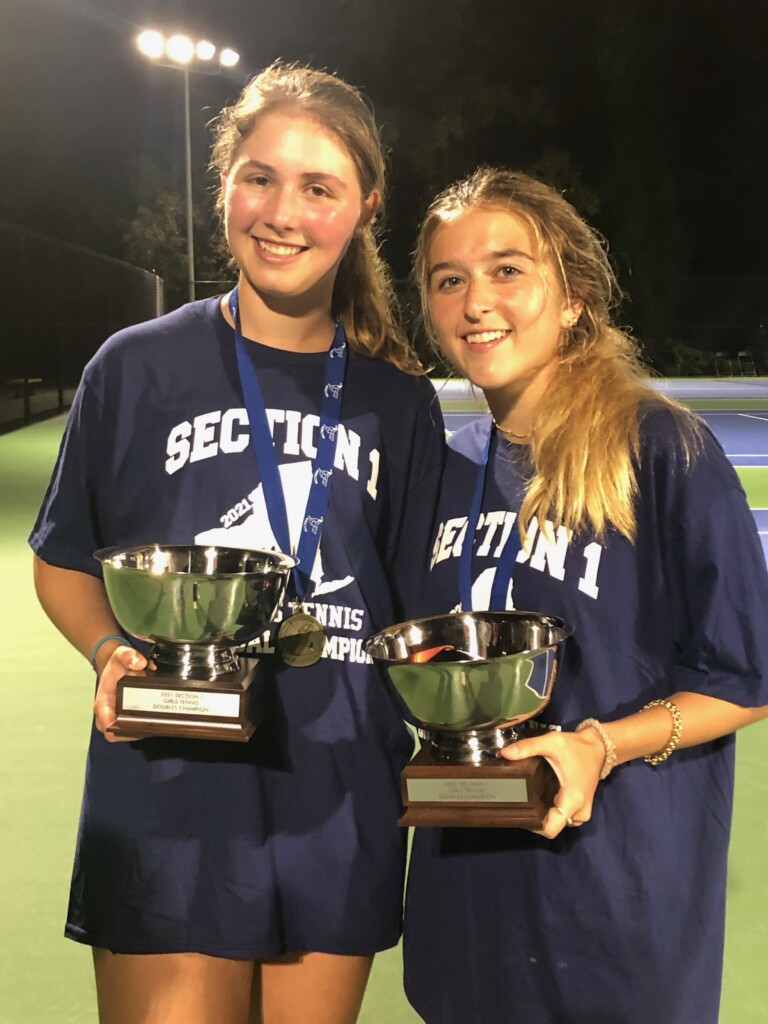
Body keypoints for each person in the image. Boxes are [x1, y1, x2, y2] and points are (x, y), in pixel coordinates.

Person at [29, 62, 444, 1024]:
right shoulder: (135, 367)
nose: (282, 212)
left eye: (319, 188)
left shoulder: (398, 403)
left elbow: (421, 605)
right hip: (169, 789)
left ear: (364, 207)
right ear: (224, 185)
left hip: (336, 796)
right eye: (259, 177)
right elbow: (63, 559)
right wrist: (109, 652)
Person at [403, 166, 768, 1023]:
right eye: (447, 279)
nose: (475, 300)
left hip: (613, 898)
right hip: (467, 893)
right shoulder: (442, 464)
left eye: (506, 270)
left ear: (572, 297)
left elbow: (745, 679)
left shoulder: (664, 450)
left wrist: (601, 745)